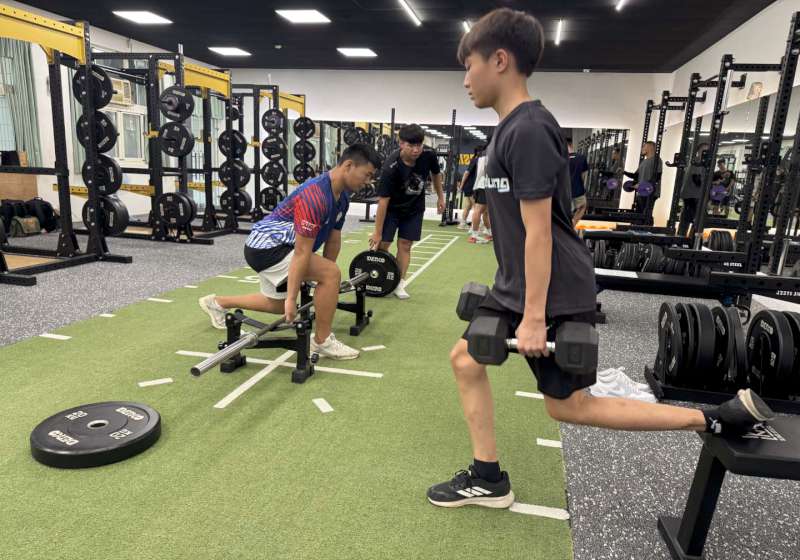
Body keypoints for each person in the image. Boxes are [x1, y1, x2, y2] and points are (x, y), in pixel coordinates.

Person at [427, 7, 775, 510]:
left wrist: (532, 316)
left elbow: (539, 232)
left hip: (550, 288)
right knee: (465, 359)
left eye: (469, 66)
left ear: (499, 60)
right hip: (519, 283)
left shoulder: (529, 129)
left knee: (571, 407)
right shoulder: (508, 129)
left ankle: (713, 419)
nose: (465, 79)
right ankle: (487, 476)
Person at [198, 143, 382, 361]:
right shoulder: (315, 196)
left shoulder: (341, 197)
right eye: (367, 175)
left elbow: (333, 238)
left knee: (277, 305)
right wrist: (300, 293)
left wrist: (323, 279)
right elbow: (302, 252)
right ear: (349, 165)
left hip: (279, 247)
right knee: (329, 275)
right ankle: (322, 341)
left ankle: (217, 303)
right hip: (267, 248)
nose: (368, 182)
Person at [370, 124, 445, 299]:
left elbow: (436, 174)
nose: (416, 150)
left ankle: (399, 283)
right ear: (401, 143)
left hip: (414, 209)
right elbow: (383, 201)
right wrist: (377, 232)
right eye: (411, 145)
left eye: (419, 145)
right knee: (382, 245)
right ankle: (379, 279)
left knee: (405, 245)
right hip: (392, 210)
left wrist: (441, 197)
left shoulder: (429, 155)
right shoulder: (390, 167)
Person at [677, 143, 709, 237]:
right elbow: (696, 179)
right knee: (696, 218)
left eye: (707, 151)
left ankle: (686, 238)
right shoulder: (698, 162)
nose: (705, 153)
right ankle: (685, 238)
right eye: (704, 151)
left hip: (693, 195)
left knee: (691, 218)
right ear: (698, 152)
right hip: (692, 195)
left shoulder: (702, 163)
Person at [625, 141, 662, 217]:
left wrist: (642, 185)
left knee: (646, 216)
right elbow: (636, 175)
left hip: (650, 192)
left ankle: (647, 225)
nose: (642, 149)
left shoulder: (657, 160)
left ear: (650, 147)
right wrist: (623, 172)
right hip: (641, 191)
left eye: (644, 147)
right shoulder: (644, 161)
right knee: (639, 215)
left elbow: (657, 177)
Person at [467, 143, 492, 243]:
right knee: (478, 210)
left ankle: (490, 233)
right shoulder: (484, 155)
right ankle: (474, 236)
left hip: (488, 185)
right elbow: (481, 171)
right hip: (483, 185)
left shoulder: (490, 153)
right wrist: (476, 186)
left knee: (486, 212)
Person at [457, 147, 481, 230]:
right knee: (476, 207)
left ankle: (462, 224)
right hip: (470, 186)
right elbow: (466, 173)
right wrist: (461, 185)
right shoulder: (475, 160)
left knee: (468, 205)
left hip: (469, 186)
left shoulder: (477, 160)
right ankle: (474, 227)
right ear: (478, 152)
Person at [567, 137, 589, 226]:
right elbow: (584, 176)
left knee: (564, 211)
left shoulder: (559, 158)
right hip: (578, 190)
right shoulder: (582, 158)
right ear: (571, 145)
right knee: (582, 206)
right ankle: (573, 224)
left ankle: (565, 226)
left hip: (563, 192)